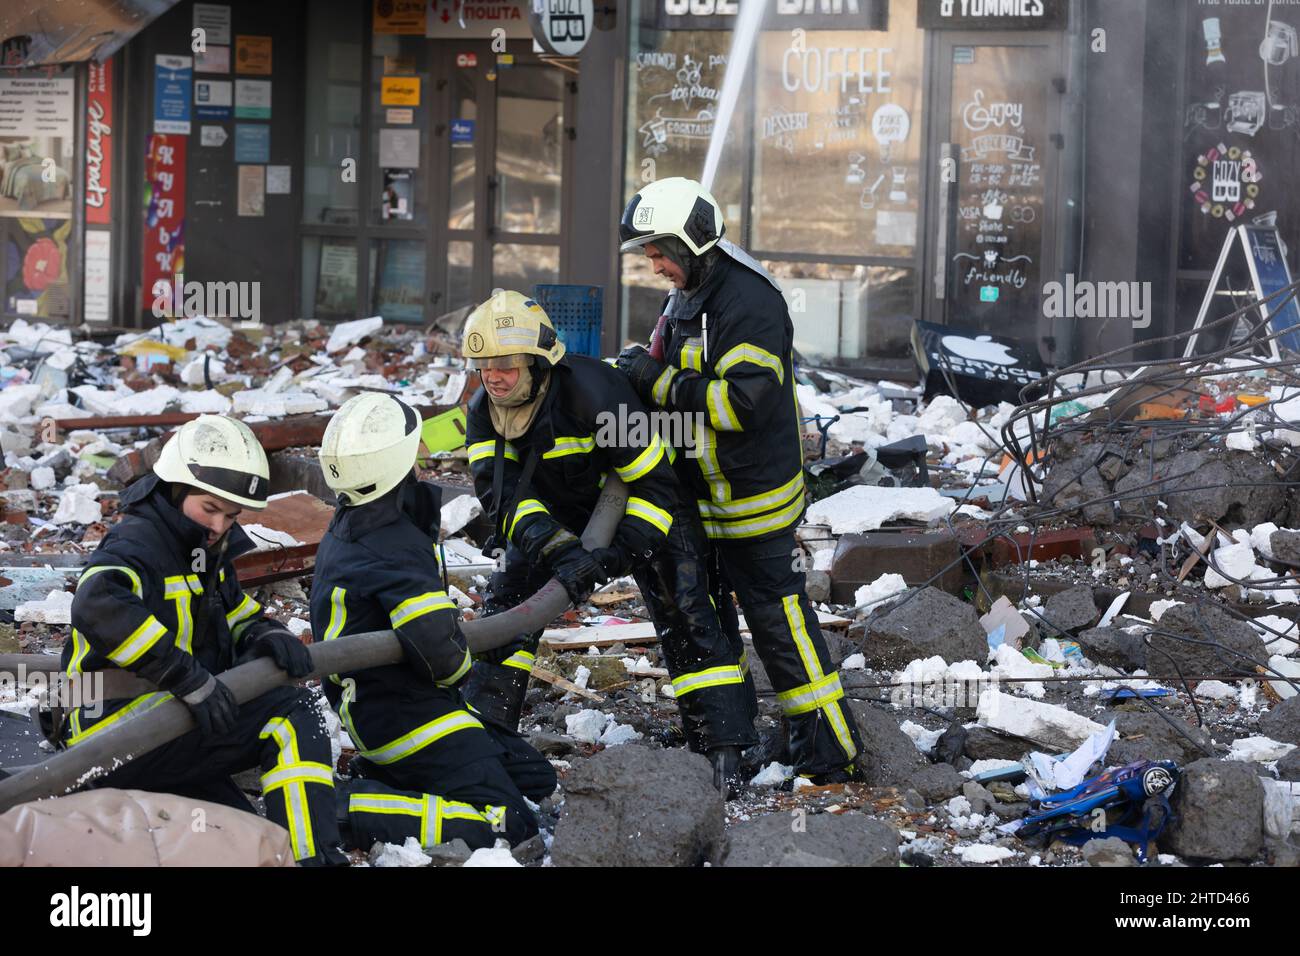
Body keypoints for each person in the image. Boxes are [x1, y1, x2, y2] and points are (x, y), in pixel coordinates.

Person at [616, 176, 866, 784]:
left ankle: (830, 747)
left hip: (751, 500)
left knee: (779, 619)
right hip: (708, 498)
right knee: (714, 622)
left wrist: (656, 382)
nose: (653, 265)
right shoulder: (691, 291)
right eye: (647, 253)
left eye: (659, 252)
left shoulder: (747, 301)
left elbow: (744, 404)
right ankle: (744, 739)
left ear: (694, 241)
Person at [461, 290, 756, 790]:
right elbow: (504, 501)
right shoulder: (483, 412)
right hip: (562, 515)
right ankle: (483, 740)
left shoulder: (595, 394)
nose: (494, 377)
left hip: (650, 500)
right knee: (507, 609)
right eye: (484, 365)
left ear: (538, 362)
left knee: (685, 604)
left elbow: (656, 486)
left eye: (507, 365)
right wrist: (558, 549)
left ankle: (723, 749)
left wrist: (621, 552)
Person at [64, 415, 348, 865]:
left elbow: (231, 611)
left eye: (230, 515)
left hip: (166, 730)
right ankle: (314, 857)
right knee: (293, 712)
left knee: (239, 835)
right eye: (209, 509)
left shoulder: (199, 550)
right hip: (115, 734)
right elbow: (96, 605)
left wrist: (265, 632)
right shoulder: (138, 543)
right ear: (176, 489)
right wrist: (189, 678)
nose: (219, 527)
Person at [311, 392, 556, 850]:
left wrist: (475, 641)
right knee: (507, 827)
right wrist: (472, 649)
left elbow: (422, 635)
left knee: (537, 781)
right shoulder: (393, 544)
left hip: (398, 705)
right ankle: (346, 807)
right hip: (405, 720)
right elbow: (442, 663)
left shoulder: (357, 521)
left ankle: (396, 778)